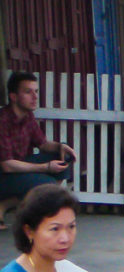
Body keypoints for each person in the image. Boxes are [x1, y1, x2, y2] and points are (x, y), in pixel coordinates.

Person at [0, 72, 77, 215]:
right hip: (4, 175)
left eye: (36, 91)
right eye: (28, 92)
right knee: (46, 183)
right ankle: (38, 209)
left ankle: (5, 205)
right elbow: (7, 165)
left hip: (21, 167)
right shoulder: (3, 120)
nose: (35, 97)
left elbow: (42, 144)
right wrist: (45, 167)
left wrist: (61, 146)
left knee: (63, 156)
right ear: (13, 97)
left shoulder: (27, 115)